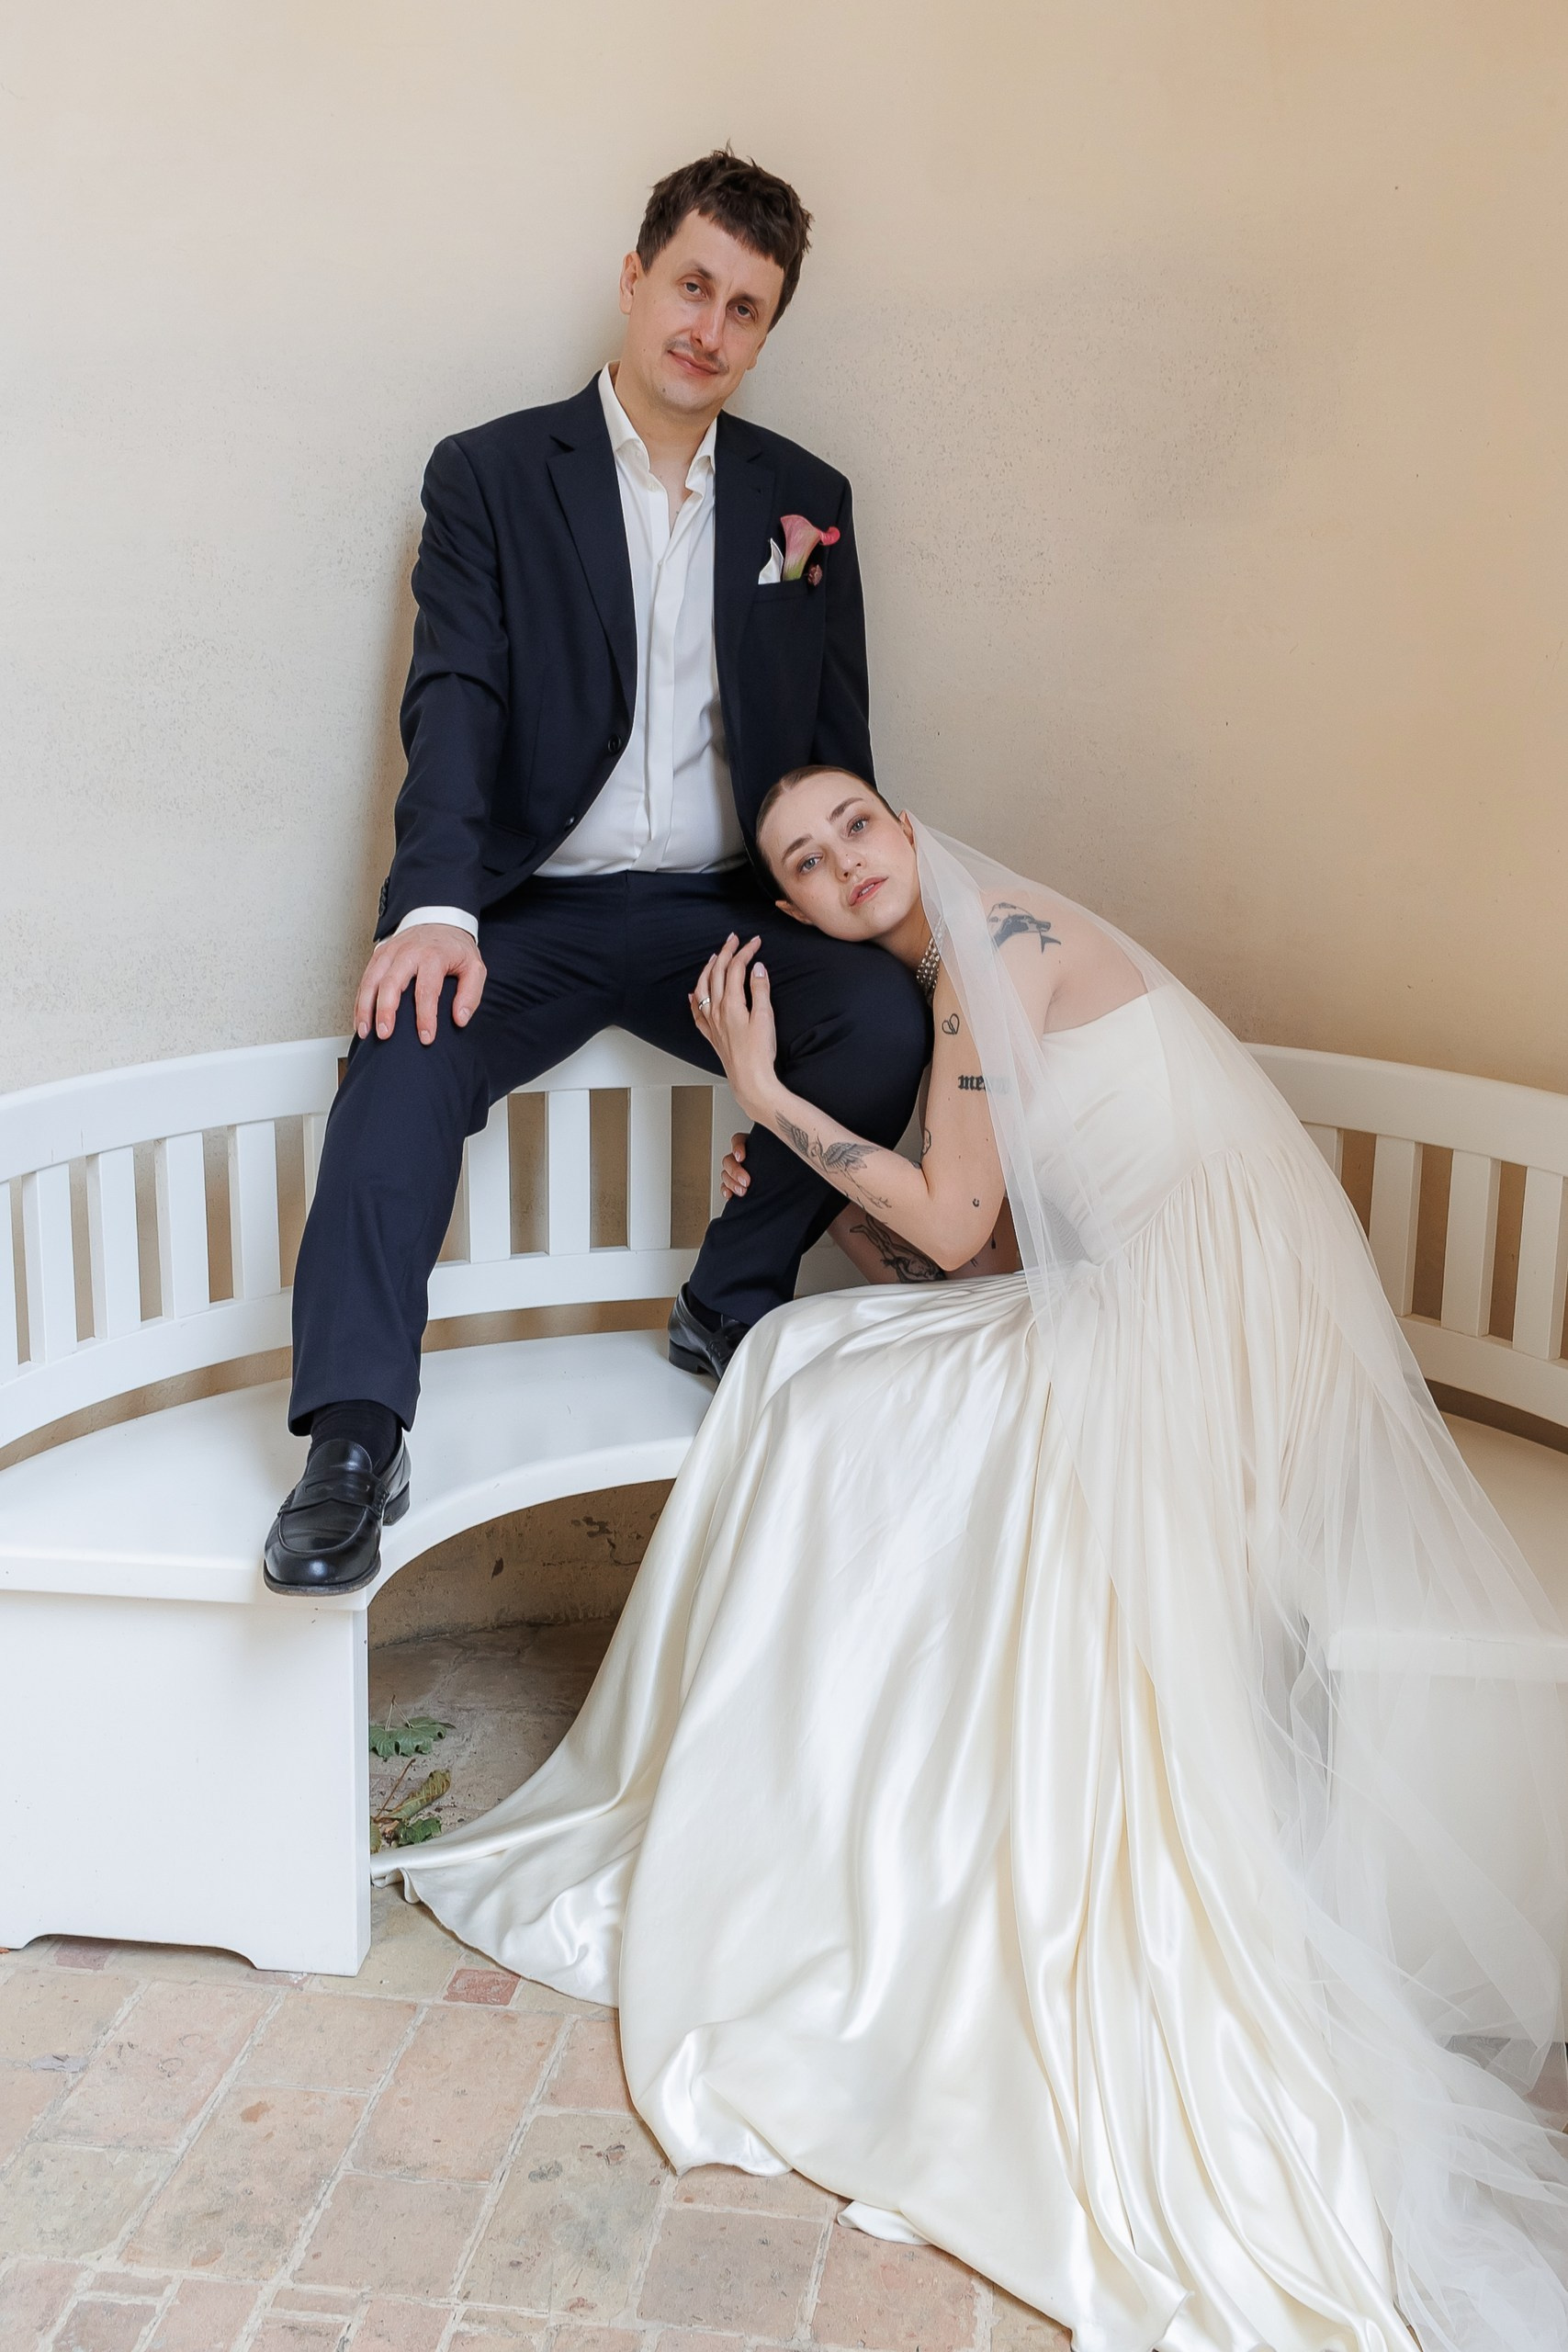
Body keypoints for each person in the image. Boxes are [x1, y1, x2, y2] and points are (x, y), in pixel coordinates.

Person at [375, 766, 1568, 2348]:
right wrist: (823, 1192)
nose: (844, 863)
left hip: (1206, 1336)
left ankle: (825, 1784)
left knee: (814, 1380)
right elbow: (979, 1250)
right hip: (1152, 1307)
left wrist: (769, 1094)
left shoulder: (997, 943)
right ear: (793, 909)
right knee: (819, 1364)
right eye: (807, 862)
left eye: (857, 827)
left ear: (908, 831)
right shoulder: (963, 983)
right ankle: (818, 1771)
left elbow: (951, 1240)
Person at [263, 153, 929, 1597]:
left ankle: (727, 1301)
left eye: (746, 309)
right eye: (692, 286)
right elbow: (454, 699)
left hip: (719, 915)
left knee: (883, 1020)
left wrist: (871, 937)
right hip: (534, 910)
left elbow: (835, 755)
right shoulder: (492, 474)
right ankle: (355, 1439)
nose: (710, 327)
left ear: (766, 332)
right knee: (402, 1043)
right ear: (634, 282)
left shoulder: (807, 503)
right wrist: (434, 907)